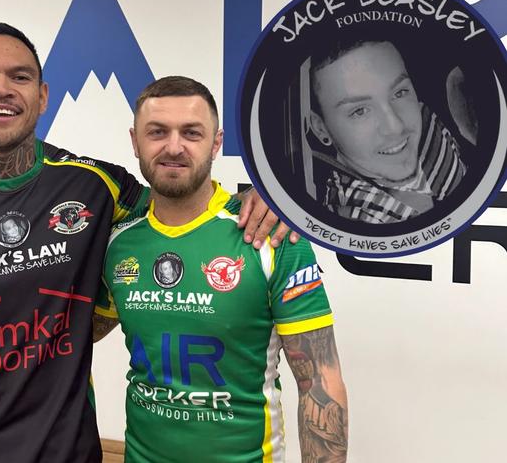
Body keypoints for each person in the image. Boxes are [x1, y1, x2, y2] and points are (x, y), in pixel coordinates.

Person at [0, 24, 293, 463]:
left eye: (20, 77)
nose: (2, 89)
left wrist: (259, 197)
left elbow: (185, 204)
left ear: (43, 95)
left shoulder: (96, 186)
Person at [94, 76, 348, 462]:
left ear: (216, 143)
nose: (174, 147)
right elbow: (80, 332)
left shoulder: (270, 237)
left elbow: (320, 385)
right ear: (135, 141)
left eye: (192, 133)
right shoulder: (118, 242)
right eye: (157, 132)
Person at [309, 38, 467, 223]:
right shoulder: (355, 217)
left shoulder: (427, 118)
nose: (396, 127)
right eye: (359, 111)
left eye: (399, 93)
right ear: (321, 129)